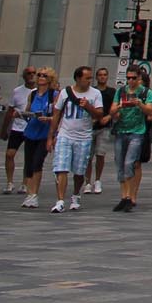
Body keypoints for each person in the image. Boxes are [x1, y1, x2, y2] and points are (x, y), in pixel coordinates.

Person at [47, 66, 104, 213]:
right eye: (87, 78)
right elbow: (56, 115)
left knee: (79, 172)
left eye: (91, 78)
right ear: (78, 78)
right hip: (65, 135)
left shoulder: (95, 93)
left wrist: (88, 107)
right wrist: (51, 137)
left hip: (84, 137)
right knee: (61, 168)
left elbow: (99, 115)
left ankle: (76, 194)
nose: (90, 80)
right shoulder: (65, 93)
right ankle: (60, 200)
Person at [105, 66, 152, 212]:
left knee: (130, 162)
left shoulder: (146, 92)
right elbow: (111, 111)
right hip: (121, 130)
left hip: (137, 131)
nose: (130, 81)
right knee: (120, 164)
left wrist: (138, 103)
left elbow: (151, 111)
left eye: (133, 78)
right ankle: (124, 196)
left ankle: (130, 196)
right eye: (128, 78)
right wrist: (120, 107)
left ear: (139, 78)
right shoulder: (121, 91)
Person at [18, 68, 59, 209]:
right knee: (28, 164)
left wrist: (49, 119)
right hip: (31, 131)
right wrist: (23, 114)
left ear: (50, 79)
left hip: (45, 133)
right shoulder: (33, 93)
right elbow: (28, 110)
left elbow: (58, 115)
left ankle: (34, 194)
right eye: (39, 75)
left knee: (37, 162)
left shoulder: (54, 94)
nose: (41, 77)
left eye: (44, 75)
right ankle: (29, 194)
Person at [3, 66, 37, 194]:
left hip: (31, 127)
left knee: (29, 157)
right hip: (17, 128)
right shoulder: (17, 91)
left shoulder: (38, 92)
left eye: (34, 73)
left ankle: (25, 183)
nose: (31, 75)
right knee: (9, 154)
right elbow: (10, 111)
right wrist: (4, 129)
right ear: (24, 76)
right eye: (29, 73)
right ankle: (9, 182)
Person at [86, 66, 112, 194]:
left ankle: (97, 180)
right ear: (96, 77)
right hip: (90, 126)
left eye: (104, 74)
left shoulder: (111, 92)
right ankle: (87, 182)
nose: (102, 77)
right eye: (100, 75)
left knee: (100, 154)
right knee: (88, 156)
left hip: (104, 127)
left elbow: (115, 107)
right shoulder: (92, 91)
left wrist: (108, 117)